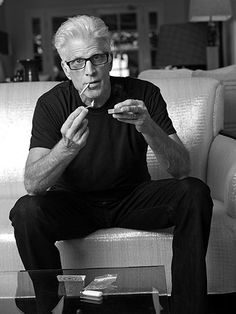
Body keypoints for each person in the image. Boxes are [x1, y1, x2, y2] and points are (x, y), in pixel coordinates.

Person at [9, 15, 213, 314]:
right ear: (66, 69)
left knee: (194, 193)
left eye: (97, 58)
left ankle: (187, 308)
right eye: (77, 62)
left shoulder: (144, 94)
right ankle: (50, 307)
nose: (89, 71)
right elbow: (34, 184)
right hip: (74, 203)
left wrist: (148, 126)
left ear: (110, 58)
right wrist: (66, 148)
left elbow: (182, 169)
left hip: (132, 198)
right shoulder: (51, 104)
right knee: (26, 211)